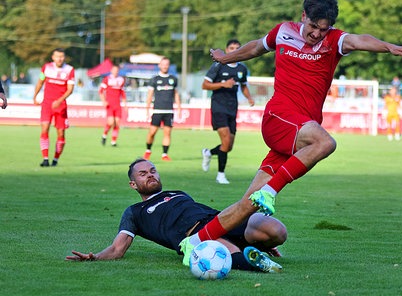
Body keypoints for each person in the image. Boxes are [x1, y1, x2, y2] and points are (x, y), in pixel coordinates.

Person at [177, 0, 402, 261]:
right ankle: (269, 193)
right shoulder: (283, 32)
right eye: (313, 26)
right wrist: (224, 58)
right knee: (325, 143)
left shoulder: (335, 40)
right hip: (279, 118)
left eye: (322, 29)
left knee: (248, 205)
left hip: (299, 130)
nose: (316, 34)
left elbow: (360, 40)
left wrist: (388, 46)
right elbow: (256, 47)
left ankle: (194, 241)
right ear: (303, 15)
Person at [65, 158, 285, 273]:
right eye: (143, 174)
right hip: (196, 236)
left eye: (152, 171)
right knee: (228, 252)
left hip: (222, 219)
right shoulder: (134, 212)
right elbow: (117, 249)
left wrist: (266, 240)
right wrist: (95, 257)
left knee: (277, 232)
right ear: (133, 184)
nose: (150, 175)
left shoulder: (177, 193)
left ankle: (258, 248)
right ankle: (254, 262)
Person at [201, 39, 255, 184]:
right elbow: (205, 85)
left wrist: (249, 97)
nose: (234, 50)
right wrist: (223, 84)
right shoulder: (218, 66)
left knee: (228, 146)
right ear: (226, 50)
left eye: (237, 48)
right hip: (218, 107)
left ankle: (208, 152)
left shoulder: (242, 69)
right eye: (231, 48)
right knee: (225, 142)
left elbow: (243, 86)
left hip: (232, 108)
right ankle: (220, 175)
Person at [32, 48, 75, 167]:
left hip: (61, 106)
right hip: (47, 104)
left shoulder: (69, 70)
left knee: (61, 133)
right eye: (57, 56)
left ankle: (55, 159)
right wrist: (35, 96)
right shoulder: (46, 67)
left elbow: (70, 90)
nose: (59, 59)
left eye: (61, 56)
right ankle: (45, 159)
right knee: (44, 128)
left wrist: (59, 101)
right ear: (53, 57)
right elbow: (40, 82)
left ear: (64, 58)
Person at [143, 57, 181, 161]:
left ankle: (164, 154)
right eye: (163, 64)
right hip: (157, 110)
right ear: (159, 65)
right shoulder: (154, 79)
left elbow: (176, 94)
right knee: (152, 132)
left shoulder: (173, 79)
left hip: (169, 110)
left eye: (166, 64)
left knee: (167, 133)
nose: (165, 66)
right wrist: (147, 109)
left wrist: (179, 107)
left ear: (169, 65)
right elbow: (150, 95)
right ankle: (148, 150)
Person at [99, 65, 127, 147]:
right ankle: (104, 135)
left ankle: (113, 141)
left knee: (117, 123)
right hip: (110, 104)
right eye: (114, 70)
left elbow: (123, 93)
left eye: (117, 70)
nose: (115, 72)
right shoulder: (107, 79)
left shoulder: (121, 80)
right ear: (111, 71)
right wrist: (104, 101)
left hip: (117, 105)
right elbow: (101, 91)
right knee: (111, 122)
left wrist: (125, 104)